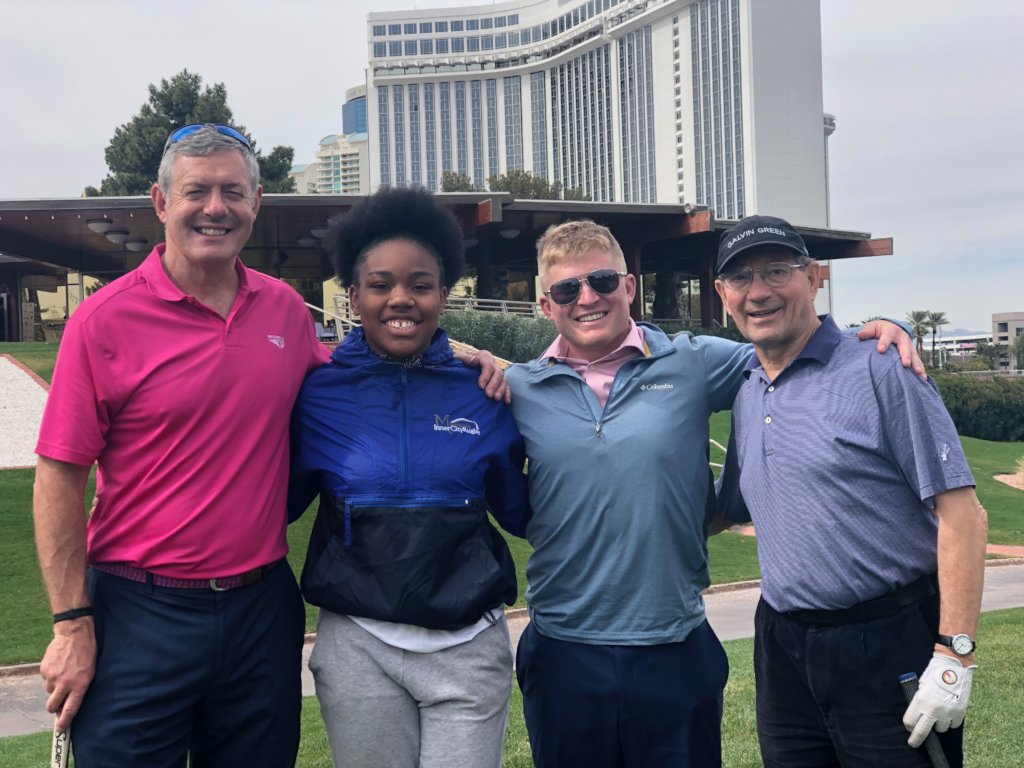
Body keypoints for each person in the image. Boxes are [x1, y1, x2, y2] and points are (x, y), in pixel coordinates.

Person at [31, 125, 505, 767]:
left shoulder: (283, 310)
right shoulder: (102, 319)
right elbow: (58, 476)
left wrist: (461, 359)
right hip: (140, 609)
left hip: (260, 609)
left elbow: (367, 368)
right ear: (161, 202)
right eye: (197, 191)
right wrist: (70, 622)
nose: (215, 207)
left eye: (233, 191)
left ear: (256, 203)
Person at [503, 218, 922, 768]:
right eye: (566, 289)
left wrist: (882, 328)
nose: (587, 298)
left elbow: (796, 345)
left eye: (602, 281)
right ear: (545, 304)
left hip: (674, 646)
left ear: (629, 287)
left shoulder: (693, 361)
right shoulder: (517, 387)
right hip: (562, 650)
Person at [713, 215, 988, 768]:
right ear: (722, 294)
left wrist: (954, 653)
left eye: (777, 271)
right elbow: (727, 509)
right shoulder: (747, 388)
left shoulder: (882, 366)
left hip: (887, 638)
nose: (758, 292)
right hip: (782, 647)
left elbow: (963, 514)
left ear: (815, 277)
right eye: (741, 278)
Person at [288, 186, 531, 768]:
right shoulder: (316, 393)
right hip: (358, 649)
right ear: (354, 295)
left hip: (468, 648)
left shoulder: (485, 392)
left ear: (443, 295)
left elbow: (523, 511)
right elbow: (271, 506)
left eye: (420, 285)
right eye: (380, 285)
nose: (401, 299)